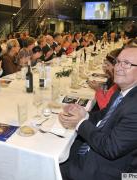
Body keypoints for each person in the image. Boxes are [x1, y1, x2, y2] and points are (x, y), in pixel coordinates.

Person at [59, 39, 137, 180]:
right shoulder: (122, 92)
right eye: (118, 62)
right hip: (100, 148)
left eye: (127, 64)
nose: (118, 67)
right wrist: (84, 114)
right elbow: (104, 114)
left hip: (118, 172)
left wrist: (80, 123)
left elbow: (111, 148)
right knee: (61, 146)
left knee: (52, 166)